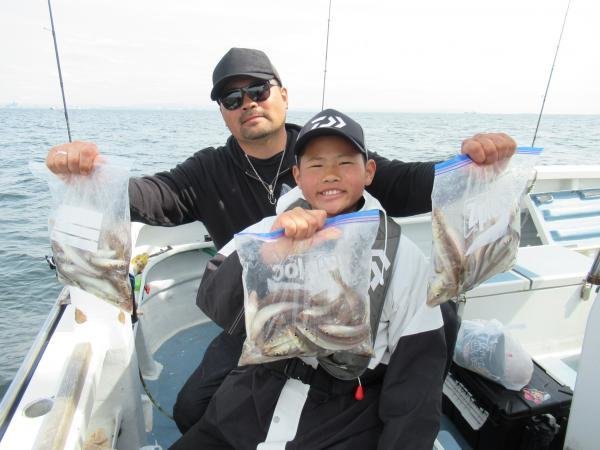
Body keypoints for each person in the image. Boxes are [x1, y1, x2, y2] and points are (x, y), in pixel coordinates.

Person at [45, 47, 516, 434]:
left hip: (335, 314)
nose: (247, 103)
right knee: (192, 410)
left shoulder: (324, 151)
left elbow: (412, 182)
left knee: (430, 326)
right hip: (257, 316)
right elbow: (153, 197)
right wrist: (89, 178)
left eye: (258, 90)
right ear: (224, 113)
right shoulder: (207, 170)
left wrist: (477, 165)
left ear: (283, 96)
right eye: (232, 98)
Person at [172, 108, 446, 449]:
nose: (330, 174)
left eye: (345, 162)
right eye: (316, 165)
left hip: (345, 411)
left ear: (369, 171)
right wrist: (267, 256)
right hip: (254, 394)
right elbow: (214, 300)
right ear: (298, 175)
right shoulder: (268, 230)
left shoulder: (402, 255)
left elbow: (418, 373)